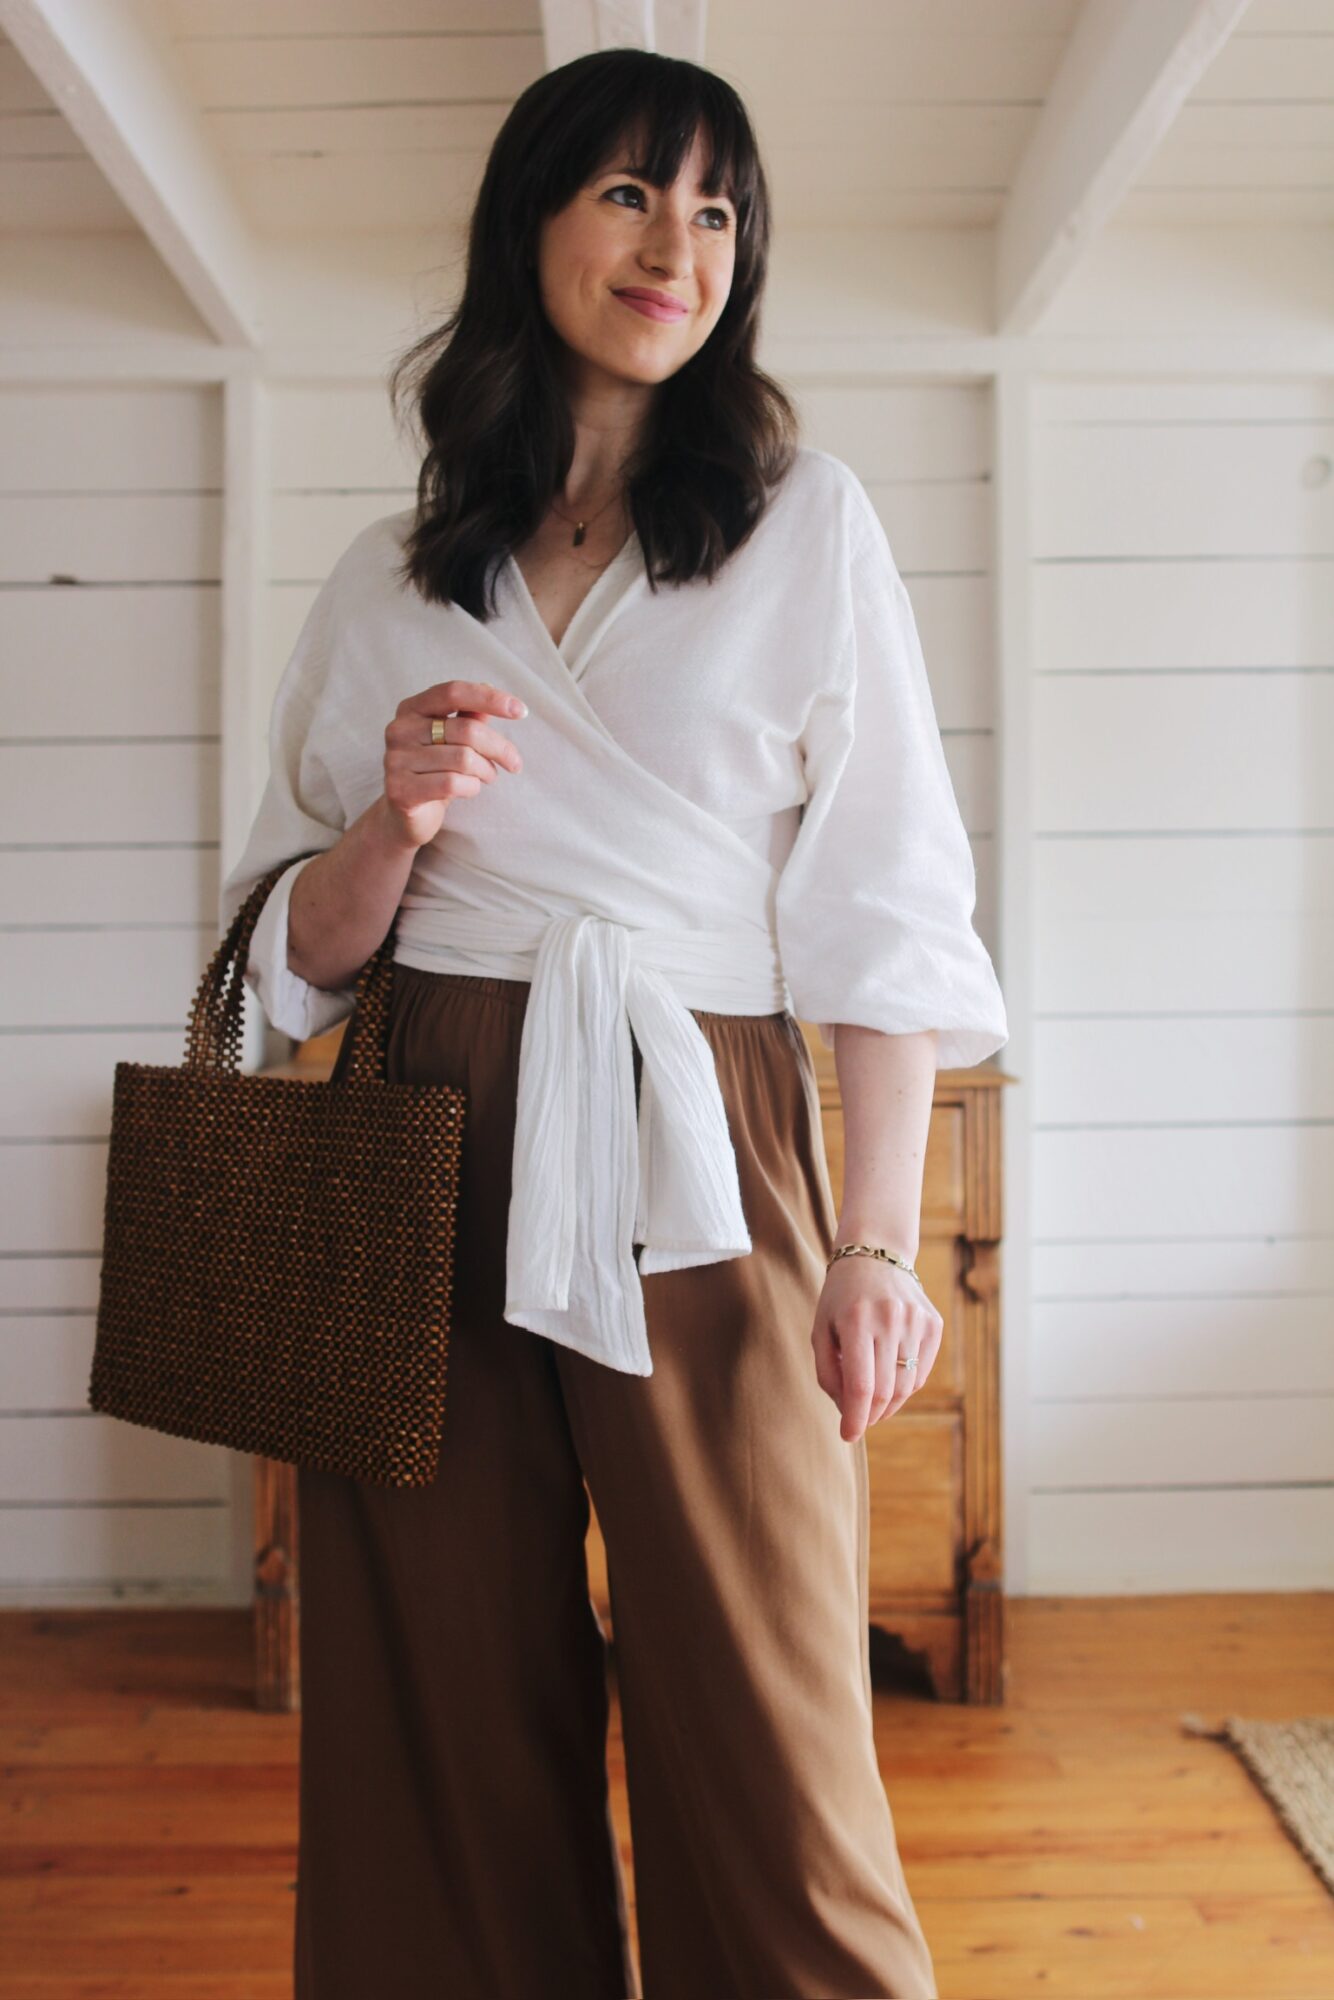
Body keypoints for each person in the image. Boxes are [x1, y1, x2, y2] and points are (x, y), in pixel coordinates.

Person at [221, 46, 1006, 2000]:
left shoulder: (799, 527)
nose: (681, 245)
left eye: (718, 208)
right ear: (533, 226)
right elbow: (280, 962)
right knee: (435, 1702)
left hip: (696, 1129)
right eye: (633, 195)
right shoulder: (393, 580)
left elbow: (881, 908)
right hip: (417, 1122)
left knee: (762, 1696)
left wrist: (878, 1242)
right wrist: (394, 818)